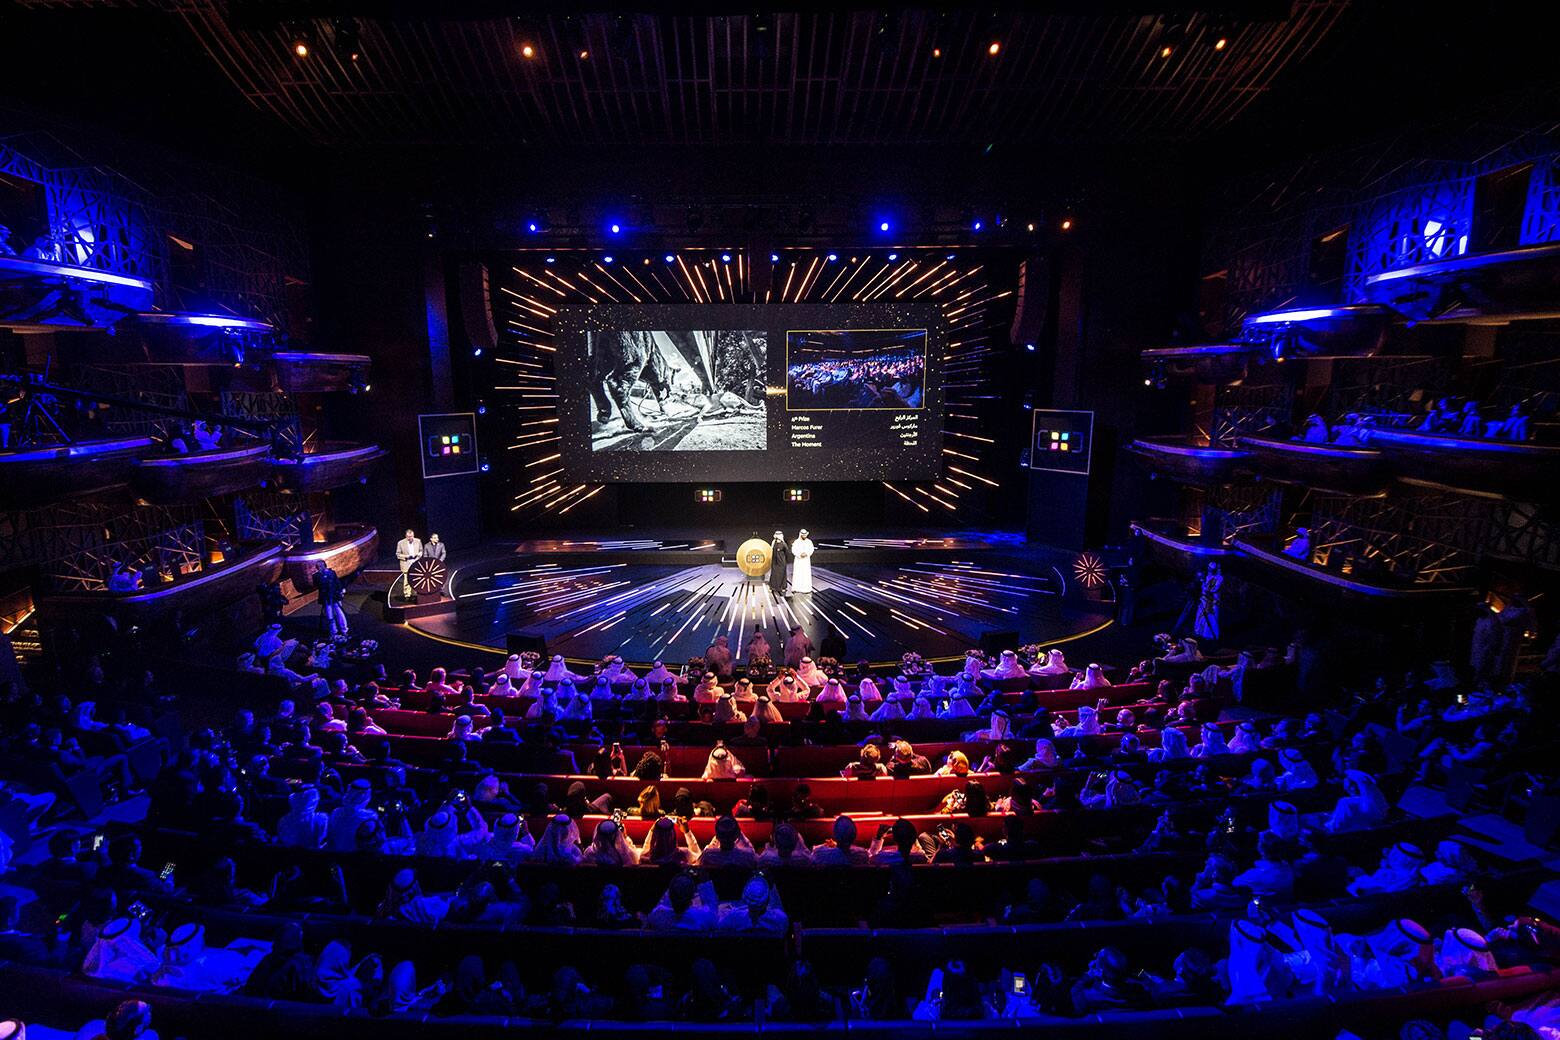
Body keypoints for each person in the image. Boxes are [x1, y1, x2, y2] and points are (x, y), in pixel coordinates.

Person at [315, 561, 348, 640]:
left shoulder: (332, 573)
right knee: (330, 616)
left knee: (340, 613)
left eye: (320, 566)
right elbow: (317, 585)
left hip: (335, 596)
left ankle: (344, 630)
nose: (319, 568)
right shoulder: (316, 576)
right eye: (318, 566)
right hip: (326, 598)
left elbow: (337, 583)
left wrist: (340, 591)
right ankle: (333, 632)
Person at [394, 529, 423, 600]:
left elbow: (421, 551)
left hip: (416, 563)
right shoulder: (401, 543)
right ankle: (407, 595)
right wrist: (406, 556)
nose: (410, 538)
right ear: (406, 536)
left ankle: (416, 593)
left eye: (412, 536)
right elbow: (398, 554)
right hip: (406, 563)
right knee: (407, 580)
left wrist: (418, 555)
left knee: (417, 579)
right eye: (409, 537)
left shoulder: (418, 541)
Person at [790, 529, 815, 594]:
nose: (804, 536)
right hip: (798, 561)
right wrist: (800, 554)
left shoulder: (809, 542)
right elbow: (793, 550)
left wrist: (806, 554)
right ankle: (796, 588)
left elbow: (811, 549)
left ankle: (806, 588)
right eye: (803, 535)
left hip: (806, 560)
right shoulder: (796, 542)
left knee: (805, 574)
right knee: (798, 574)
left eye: (805, 535)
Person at [769, 530, 791, 597]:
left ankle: (782, 587)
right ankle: (773, 587)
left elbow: (787, 553)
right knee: (774, 574)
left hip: (781, 562)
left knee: (782, 574)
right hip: (774, 561)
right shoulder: (774, 543)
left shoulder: (783, 544)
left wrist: (784, 560)